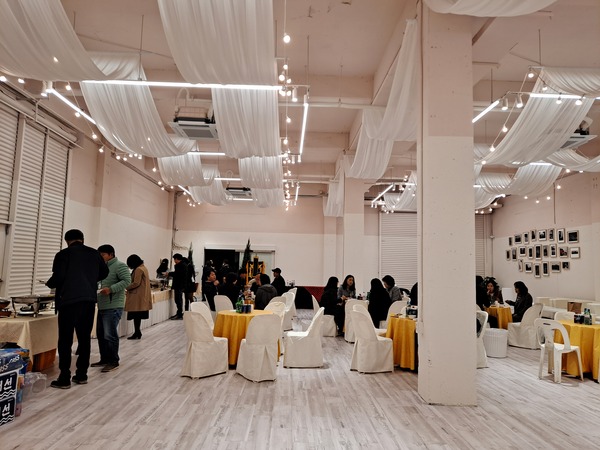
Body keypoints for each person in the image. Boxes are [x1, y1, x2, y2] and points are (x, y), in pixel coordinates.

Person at [46, 229, 109, 389]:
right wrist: (89, 279)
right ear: (82, 239)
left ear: (67, 241)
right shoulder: (94, 254)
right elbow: (104, 272)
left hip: (68, 301)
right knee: (84, 339)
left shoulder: (63, 254)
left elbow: (58, 277)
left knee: (65, 340)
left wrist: (49, 283)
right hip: (88, 301)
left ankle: (64, 377)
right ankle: (81, 375)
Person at [93, 244, 131, 373]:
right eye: (99, 255)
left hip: (113, 305)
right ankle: (104, 359)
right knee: (101, 334)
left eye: (103, 254)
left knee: (110, 335)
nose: (100, 257)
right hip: (102, 304)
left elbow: (127, 281)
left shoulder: (120, 265)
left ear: (111, 254)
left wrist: (111, 289)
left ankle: (113, 361)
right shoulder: (101, 267)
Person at [124, 254, 152, 340]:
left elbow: (136, 283)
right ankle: (137, 332)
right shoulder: (143, 267)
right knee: (137, 316)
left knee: (136, 316)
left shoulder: (138, 269)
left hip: (136, 296)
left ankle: (137, 332)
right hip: (141, 295)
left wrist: (125, 287)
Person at [168, 253, 188, 319]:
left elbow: (177, 274)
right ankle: (179, 313)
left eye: (174, 259)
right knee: (179, 299)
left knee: (178, 299)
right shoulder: (183, 265)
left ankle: (179, 314)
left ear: (176, 259)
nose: (174, 261)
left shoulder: (180, 266)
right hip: (180, 285)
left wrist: (169, 273)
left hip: (179, 285)